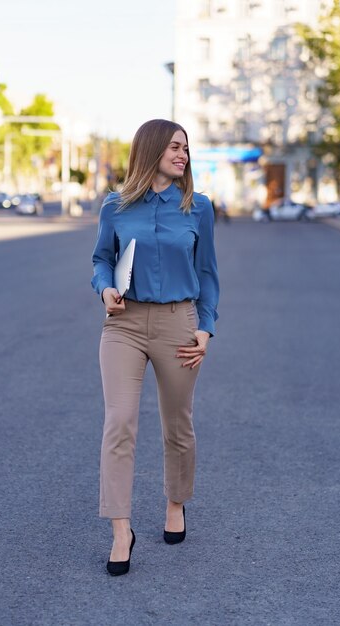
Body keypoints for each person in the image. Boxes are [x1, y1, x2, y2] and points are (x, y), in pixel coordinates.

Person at [91, 119, 219, 576]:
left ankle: (175, 503)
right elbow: (102, 259)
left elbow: (207, 273)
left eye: (185, 147)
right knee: (119, 422)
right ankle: (120, 530)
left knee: (177, 425)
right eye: (173, 146)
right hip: (123, 325)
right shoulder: (117, 206)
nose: (182, 154)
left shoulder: (198, 208)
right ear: (149, 151)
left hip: (178, 323)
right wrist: (105, 289)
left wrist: (205, 328)